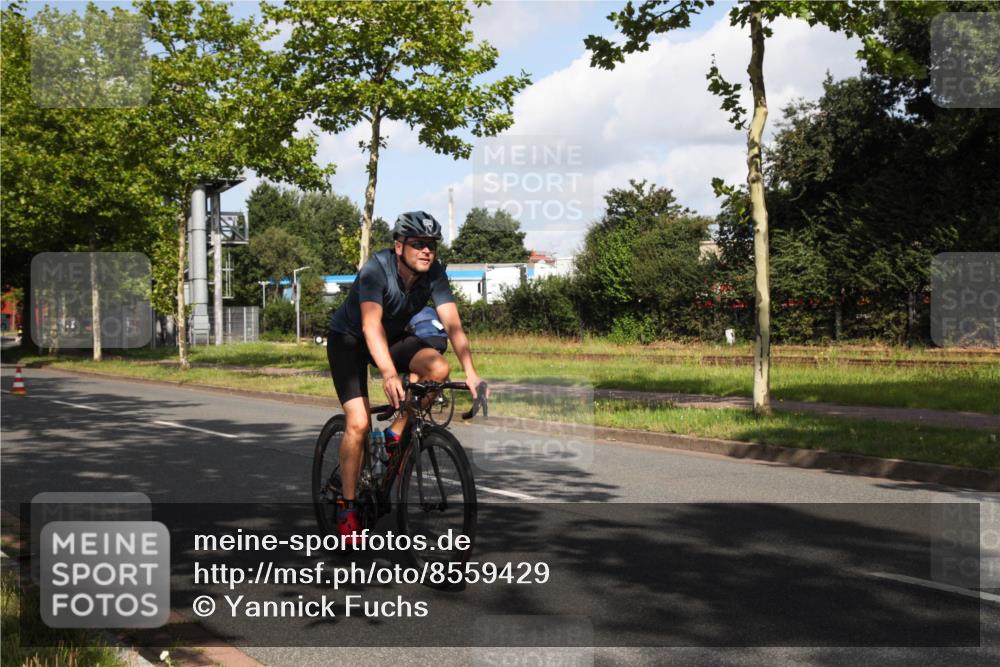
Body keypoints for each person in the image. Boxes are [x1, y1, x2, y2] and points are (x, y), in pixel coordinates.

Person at [326, 211, 485, 544]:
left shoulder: (435, 274)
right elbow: (370, 326)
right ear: (399, 247)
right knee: (358, 423)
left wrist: (472, 373)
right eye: (418, 244)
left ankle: (394, 436)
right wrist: (387, 373)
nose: (427, 251)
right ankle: (347, 505)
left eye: (431, 245)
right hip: (350, 340)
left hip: (393, 336)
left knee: (438, 369)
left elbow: (453, 325)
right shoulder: (376, 269)